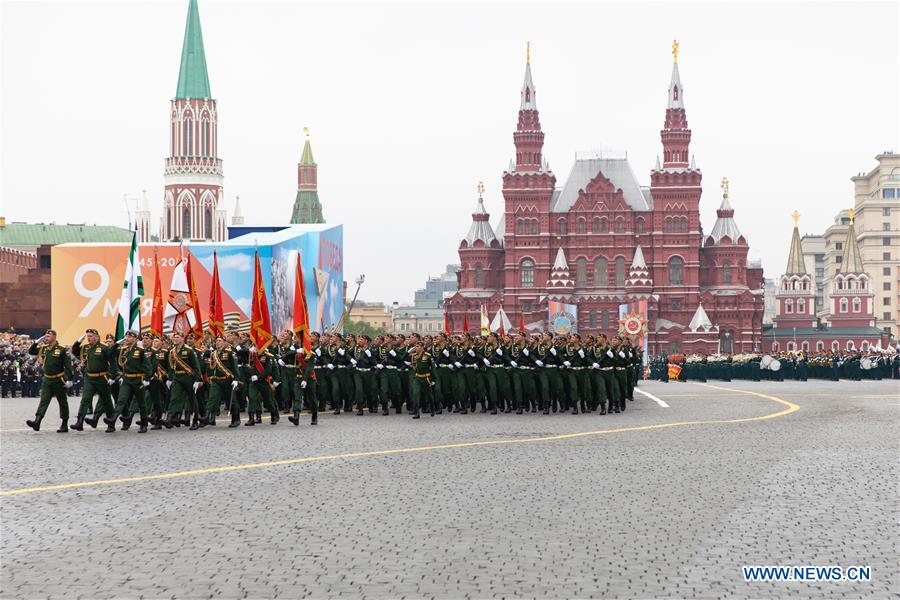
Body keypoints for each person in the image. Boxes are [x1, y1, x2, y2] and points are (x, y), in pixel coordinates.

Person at [25, 329, 73, 432]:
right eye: (45, 336)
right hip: (47, 379)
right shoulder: (44, 348)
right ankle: (37, 422)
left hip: (58, 379)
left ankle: (64, 424)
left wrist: (69, 379)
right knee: (44, 400)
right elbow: (31, 351)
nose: (46, 338)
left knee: (62, 402)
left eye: (48, 336)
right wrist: (37, 342)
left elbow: (68, 366)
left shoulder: (62, 350)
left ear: (54, 337)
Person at [105, 330, 153, 433]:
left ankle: (144, 423)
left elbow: (147, 366)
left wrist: (147, 378)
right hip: (127, 379)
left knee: (141, 403)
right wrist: (117, 343)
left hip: (138, 379)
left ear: (135, 339)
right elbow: (109, 354)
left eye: (130, 337)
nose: (127, 338)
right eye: (126, 336)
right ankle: (113, 419)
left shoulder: (141, 350)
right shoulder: (123, 350)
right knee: (121, 400)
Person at [71, 328, 116, 432]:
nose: (88, 338)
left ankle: (111, 423)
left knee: (106, 401)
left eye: (90, 336)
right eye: (87, 336)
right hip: (89, 377)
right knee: (85, 399)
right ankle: (80, 422)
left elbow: (112, 362)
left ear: (96, 337)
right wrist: (78, 342)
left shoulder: (104, 348)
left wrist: (113, 377)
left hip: (102, 377)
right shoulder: (85, 348)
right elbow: (75, 351)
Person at [206, 335, 240, 427]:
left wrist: (236, 379)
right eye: (216, 341)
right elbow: (211, 367)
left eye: (220, 341)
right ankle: (207, 417)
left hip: (228, 380)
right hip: (217, 380)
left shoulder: (230, 353)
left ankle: (236, 419)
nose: (217, 342)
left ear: (225, 343)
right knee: (212, 398)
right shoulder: (214, 354)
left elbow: (235, 367)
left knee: (231, 400)